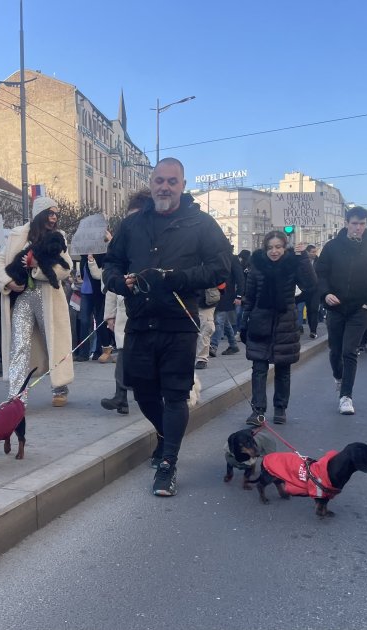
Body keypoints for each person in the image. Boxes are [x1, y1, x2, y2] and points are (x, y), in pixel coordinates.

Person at [102, 157, 231, 496]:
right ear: (151, 182)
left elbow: (221, 266)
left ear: (183, 186)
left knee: (174, 394)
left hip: (180, 322)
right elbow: (111, 263)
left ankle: (168, 464)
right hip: (141, 321)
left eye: (172, 181)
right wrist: (119, 282)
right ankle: (165, 435)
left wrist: (178, 278)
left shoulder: (200, 223)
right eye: (159, 180)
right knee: (142, 390)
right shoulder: (133, 224)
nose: (164, 187)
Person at [0, 196, 74, 407]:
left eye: (56, 214)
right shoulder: (17, 234)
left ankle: (60, 387)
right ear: (40, 214)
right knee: (19, 344)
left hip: (49, 296)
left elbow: (66, 268)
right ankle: (16, 396)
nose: (54, 218)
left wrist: (37, 267)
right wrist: (8, 281)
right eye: (50, 213)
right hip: (22, 296)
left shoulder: (59, 237)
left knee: (53, 342)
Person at [315, 206, 367, 415]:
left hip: (359, 309)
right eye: (354, 223)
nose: (358, 228)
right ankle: (339, 377)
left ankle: (346, 397)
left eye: (362, 224)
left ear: (366, 224)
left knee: (349, 352)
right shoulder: (332, 247)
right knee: (335, 351)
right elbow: (321, 273)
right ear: (346, 223)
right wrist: (325, 293)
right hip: (335, 308)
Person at [240, 232, 316, 425]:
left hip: (285, 324)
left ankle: (280, 408)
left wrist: (303, 258)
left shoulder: (292, 265)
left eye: (278, 247)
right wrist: (243, 323)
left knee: (283, 369)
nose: (274, 251)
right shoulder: (256, 266)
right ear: (265, 249)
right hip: (260, 322)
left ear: (284, 248)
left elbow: (310, 284)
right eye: (270, 247)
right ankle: (258, 411)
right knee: (258, 368)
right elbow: (249, 297)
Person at [99, 190, 151, 411]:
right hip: (124, 309)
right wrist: (109, 314)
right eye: (130, 215)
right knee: (123, 352)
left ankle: (146, 396)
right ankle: (121, 396)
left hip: (151, 311)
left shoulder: (154, 244)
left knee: (146, 357)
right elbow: (112, 282)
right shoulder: (124, 244)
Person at [209, 250, 244, 357]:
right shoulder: (210, 256)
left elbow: (240, 278)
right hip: (214, 294)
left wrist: (239, 295)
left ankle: (213, 346)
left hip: (227, 295)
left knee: (219, 320)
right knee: (225, 322)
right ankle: (233, 345)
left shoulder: (232, 258)